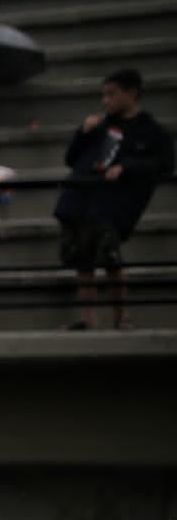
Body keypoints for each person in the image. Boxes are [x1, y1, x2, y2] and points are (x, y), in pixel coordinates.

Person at [53, 68, 174, 331]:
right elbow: (71, 158)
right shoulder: (99, 125)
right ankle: (88, 319)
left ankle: (122, 317)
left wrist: (128, 167)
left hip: (112, 204)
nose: (106, 100)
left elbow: (165, 164)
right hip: (80, 197)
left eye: (112, 94)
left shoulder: (150, 131)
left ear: (131, 93)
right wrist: (83, 132)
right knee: (82, 261)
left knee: (110, 259)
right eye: (104, 95)